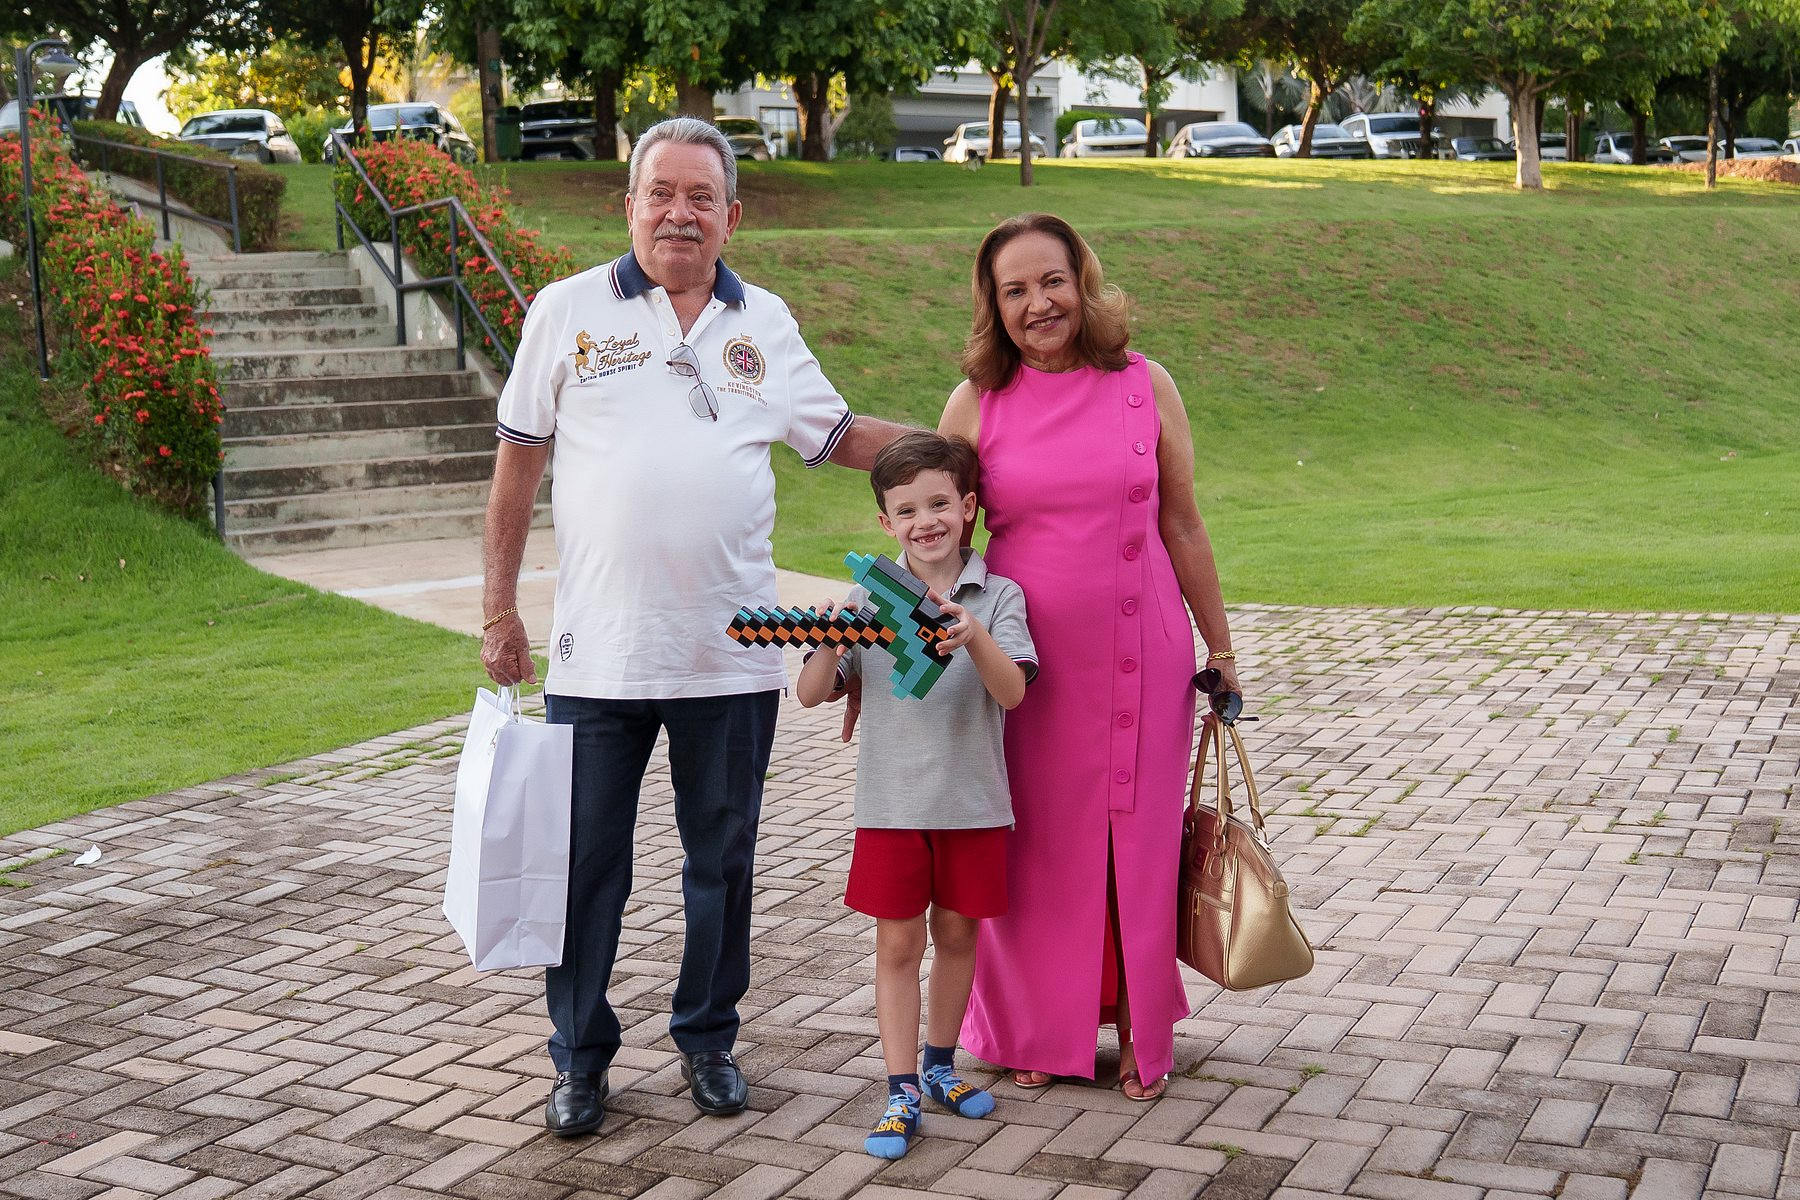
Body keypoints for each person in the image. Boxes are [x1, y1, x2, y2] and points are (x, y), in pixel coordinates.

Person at [480, 116, 906, 1137]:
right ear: (628, 205)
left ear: (731, 215)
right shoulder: (567, 310)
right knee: (587, 869)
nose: (680, 213)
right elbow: (517, 467)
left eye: (701, 197)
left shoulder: (766, 322)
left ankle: (708, 1040)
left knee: (723, 862)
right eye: (661, 193)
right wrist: (499, 609)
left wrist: (970, 447)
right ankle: (579, 1057)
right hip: (598, 655)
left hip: (732, 654)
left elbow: (844, 437)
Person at [938, 213, 1240, 1102]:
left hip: (1142, 655)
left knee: (1137, 841)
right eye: (1016, 290)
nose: (1039, 303)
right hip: (1024, 668)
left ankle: (1143, 1025)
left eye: (1053, 281)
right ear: (994, 305)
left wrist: (1221, 647)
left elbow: (1183, 522)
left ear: (1084, 283)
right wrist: (888, 666)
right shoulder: (973, 403)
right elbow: (940, 545)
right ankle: (1037, 1027)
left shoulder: (1148, 384)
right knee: (1038, 846)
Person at [795, 430, 1036, 1159]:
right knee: (899, 944)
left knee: (958, 936)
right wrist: (831, 637)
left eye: (939, 504)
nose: (925, 521)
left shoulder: (999, 596)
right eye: (907, 510)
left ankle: (940, 1066)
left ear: (968, 508)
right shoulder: (869, 597)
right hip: (892, 807)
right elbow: (811, 694)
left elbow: (1013, 692)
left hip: (973, 804)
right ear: (886, 523)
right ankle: (900, 1087)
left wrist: (973, 637)